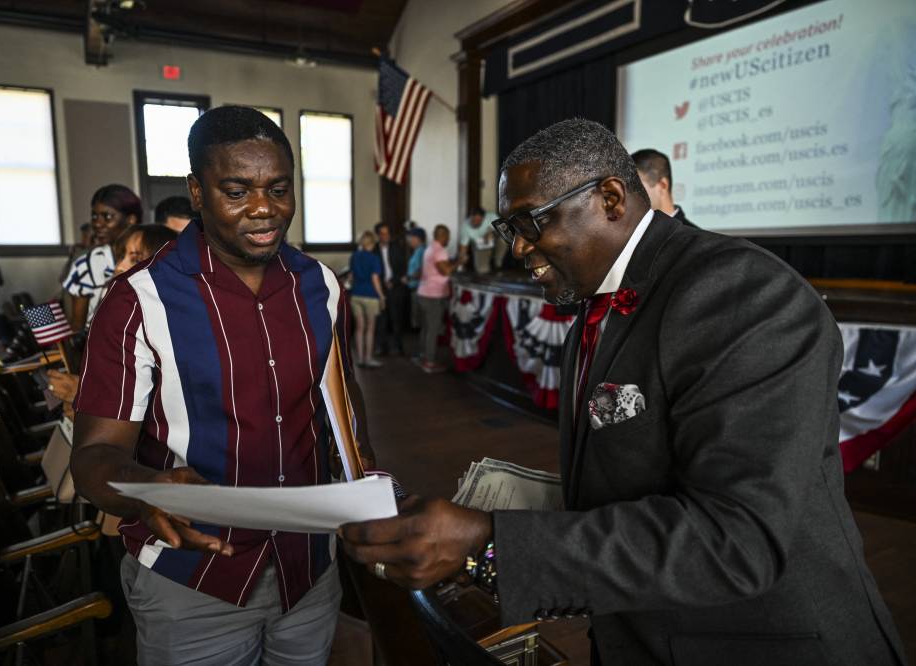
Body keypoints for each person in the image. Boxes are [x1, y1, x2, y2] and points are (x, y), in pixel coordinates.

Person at [341, 119, 906, 666]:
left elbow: (738, 539)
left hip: (762, 642)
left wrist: (492, 542)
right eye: (509, 230)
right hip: (643, 633)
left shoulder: (742, 294)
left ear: (611, 198)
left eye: (531, 223)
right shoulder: (598, 301)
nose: (517, 249)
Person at [70, 105, 376, 665]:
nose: (264, 209)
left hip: (308, 568)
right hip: (193, 582)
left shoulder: (320, 285)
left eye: (279, 189)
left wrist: (369, 486)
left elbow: (340, 403)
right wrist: (149, 489)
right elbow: (93, 457)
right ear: (196, 191)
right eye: (237, 191)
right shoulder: (139, 301)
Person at [47, 224, 179, 420]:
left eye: (134, 258)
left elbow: (163, 414)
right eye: (122, 256)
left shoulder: (170, 331)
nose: (120, 266)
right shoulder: (122, 318)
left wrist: (85, 396)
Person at [63, 185, 142, 331]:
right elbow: (78, 328)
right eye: (94, 216)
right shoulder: (88, 264)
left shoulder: (150, 256)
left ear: (131, 219)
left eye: (107, 216)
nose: (98, 224)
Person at [416, 225, 457, 373]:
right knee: (433, 329)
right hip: (433, 295)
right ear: (443, 236)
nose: (449, 239)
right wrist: (460, 262)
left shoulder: (429, 248)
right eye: (448, 236)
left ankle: (422, 356)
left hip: (423, 292)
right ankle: (430, 362)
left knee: (426, 327)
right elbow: (445, 270)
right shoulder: (440, 250)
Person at [630, 148, 696, 227]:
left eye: (635, 187)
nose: (628, 197)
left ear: (663, 185)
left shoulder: (697, 237)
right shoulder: (630, 234)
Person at [349, 231, 386, 369]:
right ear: (373, 242)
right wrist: (381, 296)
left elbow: (351, 277)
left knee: (359, 328)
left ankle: (360, 359)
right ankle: (368, 358)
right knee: (370, 329)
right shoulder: (374, 258)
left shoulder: (354, 256)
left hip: (356, 295)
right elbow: (375, 279)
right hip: (370, 296)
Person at [374, 221, 408, 356]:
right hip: (380, 288)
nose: (386, 236)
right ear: (378, 235)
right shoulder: (374, 249)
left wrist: (393, 281)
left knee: (396, 319)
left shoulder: (397, 248)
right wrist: (383, 283)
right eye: (382, 234)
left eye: (387, 233)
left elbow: (402, 268)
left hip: (395, 287)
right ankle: (382, 347)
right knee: (381, 319)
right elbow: (373, 271)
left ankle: (398, 347)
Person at [458, 206, 498, 273]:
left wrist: (492, 233)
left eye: (478, 220)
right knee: (482, 270)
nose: (475, 222)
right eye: (473, 220)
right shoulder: (465, 226)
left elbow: (504, 229)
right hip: (479, 245)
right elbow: (463, 246)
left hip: (496, 241)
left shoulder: (492, 217)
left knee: (503, 241)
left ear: (483, 218)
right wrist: (461, 261)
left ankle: (498, 264)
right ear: (470, 217)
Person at [403, 226, 426, 336]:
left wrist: (408, 278)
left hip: (419, 289)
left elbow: (422, 270)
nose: (409, 240)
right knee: (417, 319)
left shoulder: (422, 251)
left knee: (422, 321)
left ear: (417, 238)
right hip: (414, 289)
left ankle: (423, 349)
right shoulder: (417, 251)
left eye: (411, 238)